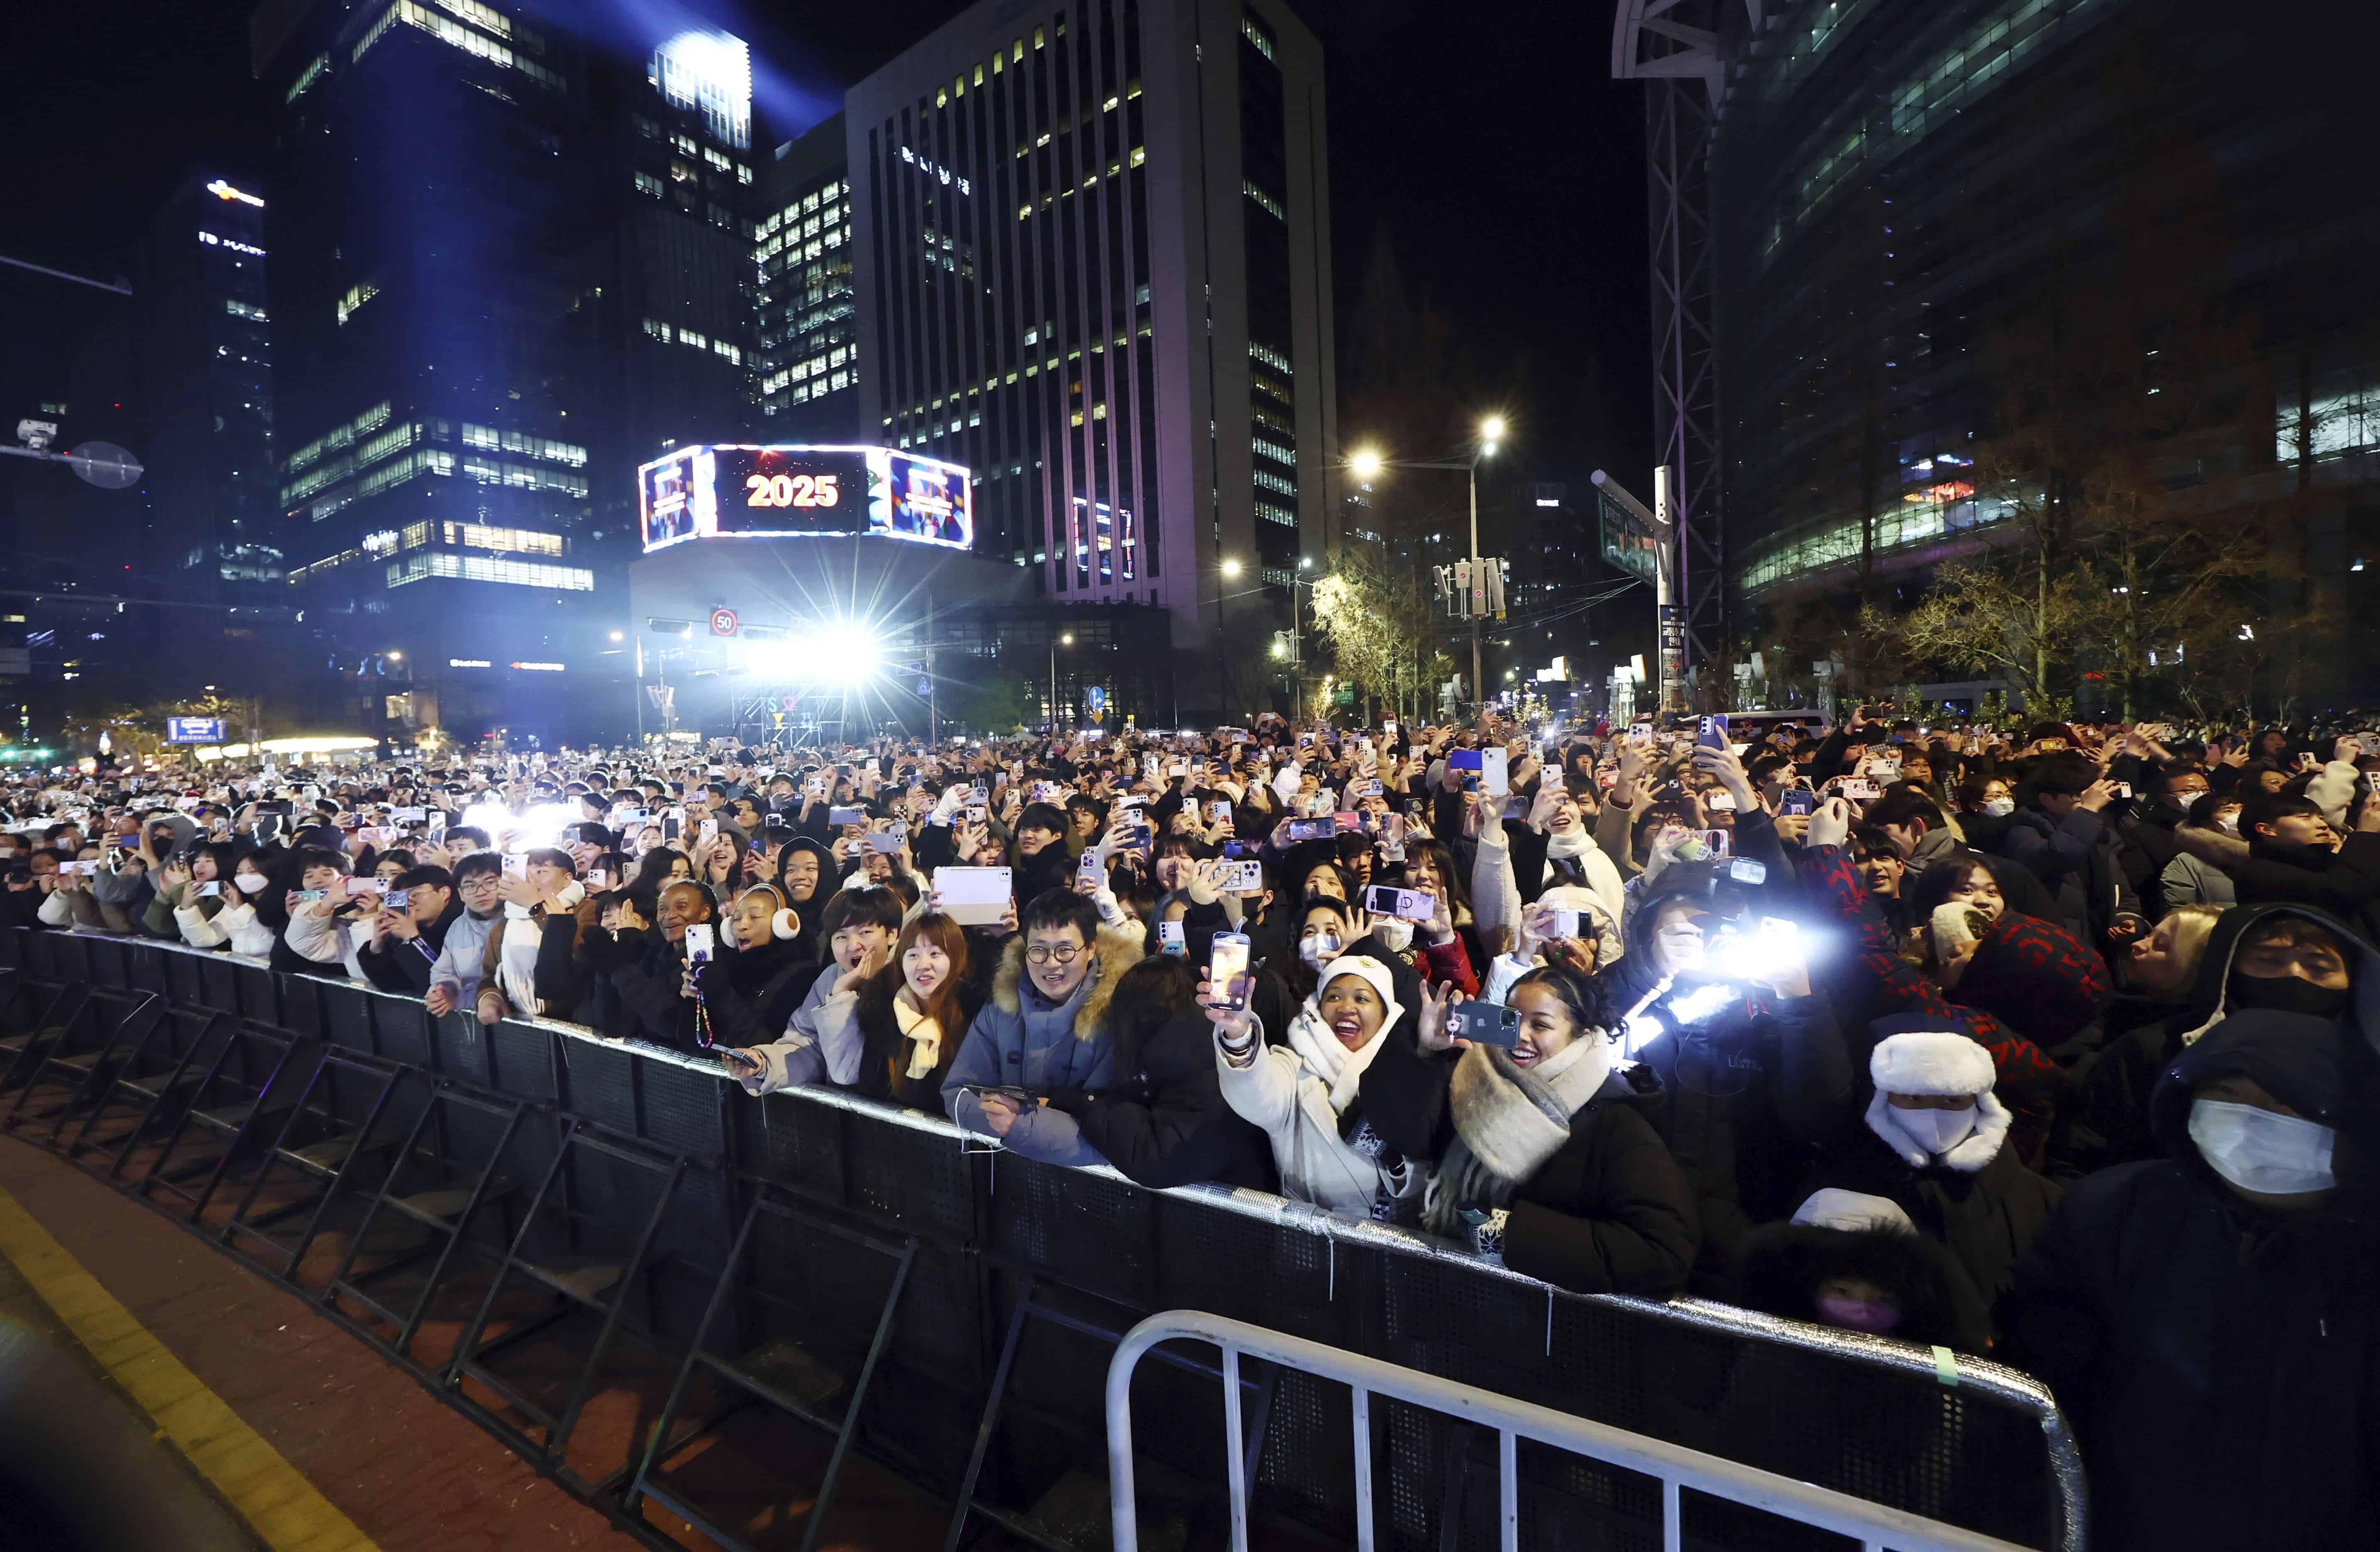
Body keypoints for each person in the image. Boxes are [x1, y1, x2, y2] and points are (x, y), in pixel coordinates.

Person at [1999, 1011, 2380, 1552]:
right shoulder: (2115, 1213)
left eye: (2285, 1102)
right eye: (2226, 1093)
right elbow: (2044, 1380)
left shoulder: (2363, 1260)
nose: (2248, 1121)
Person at [1357, 964, 1699, 1295]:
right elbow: (1401, 1134)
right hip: (1448, 1293)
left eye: (1541, 1025)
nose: (1520, 1036)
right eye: (1512, 1019)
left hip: (1543, 1323)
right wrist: (1424, 1054)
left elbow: (1663, 1251)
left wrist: (1508, 1233)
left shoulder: (1617, 1122)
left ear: (1580, 1032)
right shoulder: (1471, 1079)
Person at [1796, 1027, 2061, 1311]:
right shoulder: (1838, 1188)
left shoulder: (2039, 1199)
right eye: (1913, 1098)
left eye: (1952, 1100)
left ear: (1981, 1104)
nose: (1933, 1114)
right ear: (1883, 1101)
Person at [1204, 949, 1429, 1223]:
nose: (1346, 1007)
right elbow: (1256, 1096)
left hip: (1399, 1236)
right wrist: (1238, 1035)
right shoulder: (1293, 1065)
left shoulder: (1408, 1067)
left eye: (1361, 998)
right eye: (1333, 996)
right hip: (1313, 1240)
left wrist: (1394, 1159)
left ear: (1384, 1013)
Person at [942, 887, 1142, 1164]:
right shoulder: (1002, 1007)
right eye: (1038, 950)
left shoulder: (1120, 1015)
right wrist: (1005, 1121)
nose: (1051, 964)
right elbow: (957, 1093)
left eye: (1065, 950)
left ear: (1091, 947)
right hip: (1008, 1174)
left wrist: (1018, 1124)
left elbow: (1118, 1134)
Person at [734, 912, 979, 1114]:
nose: (923, 964)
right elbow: (824, 1057)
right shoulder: (881, 1009)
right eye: (913, 955)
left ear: (891, 935)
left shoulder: (972, 1011)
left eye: (936, 954)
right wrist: (763, 1064)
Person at [423, 854, 506, 1017]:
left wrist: (464, 998)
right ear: (460, 894)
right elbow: (444, 971)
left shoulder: (523, 921)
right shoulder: (458, 926)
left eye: (490, 883)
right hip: (473, 1019)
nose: (480, 892)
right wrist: (443, 990)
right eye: (469, 886)